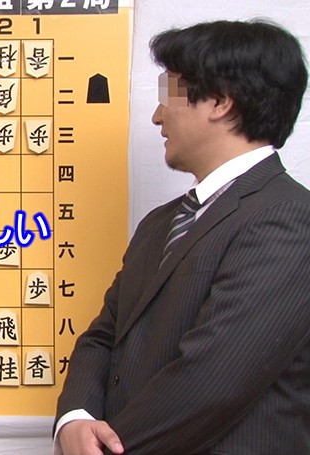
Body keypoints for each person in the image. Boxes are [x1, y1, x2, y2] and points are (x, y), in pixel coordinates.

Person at [54, 20, 310, 454]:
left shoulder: (289, 217)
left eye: (169, 94)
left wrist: (109, 449)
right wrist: (74, 419)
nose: (157, 116)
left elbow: (215, 380)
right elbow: (103, 337)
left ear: (221, 102)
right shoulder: (160, 223)